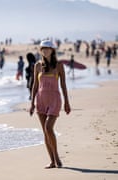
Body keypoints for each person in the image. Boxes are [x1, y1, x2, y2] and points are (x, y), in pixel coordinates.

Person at [29, 40, 71, 169]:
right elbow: (35, 85)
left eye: (47, 48)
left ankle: (57, 157)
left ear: (52, 50)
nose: (45, 50)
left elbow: (63, 84)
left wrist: (67, 102)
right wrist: (31, 103)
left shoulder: (58, 65)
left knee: (48, 128)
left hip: (54, 100)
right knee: (45, 132)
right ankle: (52, 161)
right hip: (40, 100)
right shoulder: (37, 65)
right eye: (43, 48)